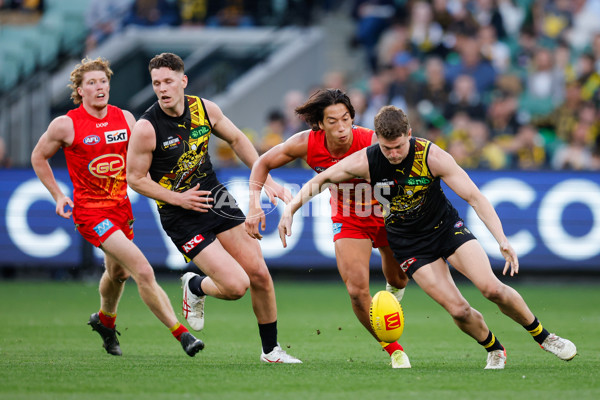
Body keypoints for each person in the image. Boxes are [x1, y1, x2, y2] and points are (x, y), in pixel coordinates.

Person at [278, 105, 578, 369]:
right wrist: (291, 208)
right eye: (386, 148)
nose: (393, 154)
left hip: (446, 229)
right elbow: (320, 180)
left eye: (398, 146)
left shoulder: (431, 155)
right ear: (377, 140)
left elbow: (475, 196)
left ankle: (544, 336)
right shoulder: (366, 159)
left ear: (409, 134)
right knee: (458, 309)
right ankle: (495, 349)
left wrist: (502, 239)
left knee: (492, 289)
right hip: (410, 245)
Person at [126, 52, 301, 363]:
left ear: (183, 81)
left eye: (168, 81)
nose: (163, 89)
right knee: (236, 287)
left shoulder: (203, 109)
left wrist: (267, 180)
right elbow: (135, 178)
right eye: (156, 84)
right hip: (179, 214)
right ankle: (195, 284)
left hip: (215, 199)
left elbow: (235, 139)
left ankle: (271, 351)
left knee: (259, 274)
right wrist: (177, 197)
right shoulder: (147, 128)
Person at [30, 57, 204, 358]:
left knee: (118, 273)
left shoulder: (125, 119)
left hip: (122, 208)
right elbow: (38, 157)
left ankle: (105, 322)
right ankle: (182, 334)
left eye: (103, 81)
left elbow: (144, 162)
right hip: (91, 212)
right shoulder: (66, 124)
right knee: (142, 270)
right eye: (92, 83)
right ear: (80, 91)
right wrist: (58, 195)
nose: (100, 87)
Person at [245, 89, 410, 368]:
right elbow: (263, 162)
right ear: (319, 124)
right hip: (348, 216)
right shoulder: (306, 143)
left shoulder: (370, 140)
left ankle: (393, 291)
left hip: (385, 212)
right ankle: (394, 349)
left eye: (345, 119)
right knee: (357, 291)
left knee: (400, 278)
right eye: (332, 121)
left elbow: (406, 160)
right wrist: (253, 205)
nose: (341, 127)